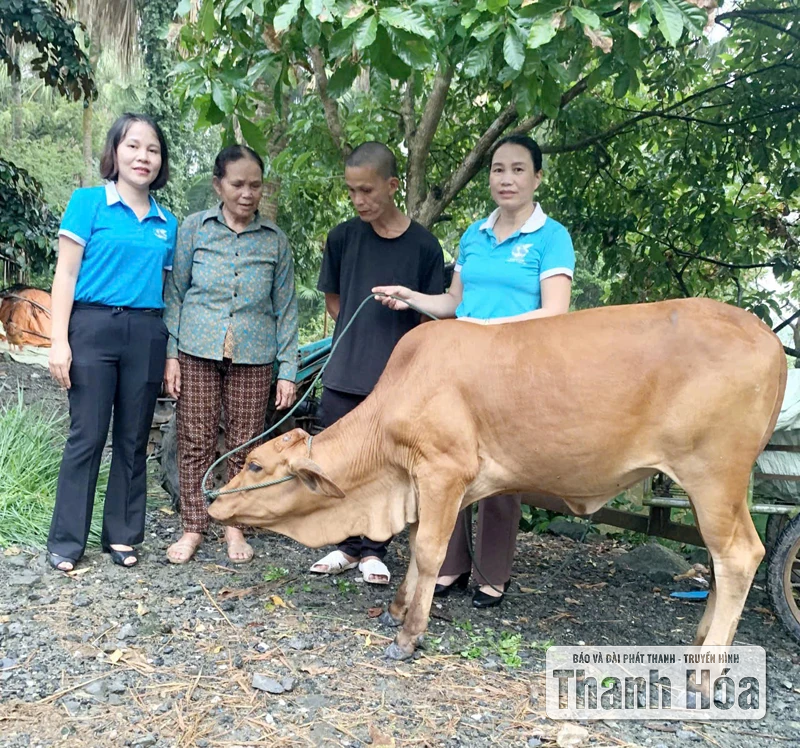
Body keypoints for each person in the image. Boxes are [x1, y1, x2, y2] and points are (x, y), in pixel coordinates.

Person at [374, 135, 575, 607]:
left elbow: (555, 313)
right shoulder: (473, 235)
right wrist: (409, 296)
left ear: (537, 177)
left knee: (501, 471)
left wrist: (485, 328)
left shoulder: (551, 236)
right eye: (498, 170)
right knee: (450, 462)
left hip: (518, 369)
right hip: (464, 368)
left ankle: (493, 573)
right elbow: (454, 304)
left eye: (518, 169)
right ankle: (451, 566)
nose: (506, 179)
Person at [309, 142, 445, 585]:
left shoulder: (425, 246)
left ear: (392, 185)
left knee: (387, 466)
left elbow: (432, 314)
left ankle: (374, 549)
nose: (358, 200)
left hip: (397, 379)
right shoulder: (342, 237)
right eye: (351, 192)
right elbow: (334, 303)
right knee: (340, 461)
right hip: (345, 370)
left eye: (366, 190)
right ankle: (344, 545)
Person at [47, 113, 178, 572]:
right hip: (93, 327)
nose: (143, 157)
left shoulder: (168, 222)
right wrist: (58, 341)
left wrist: (169, 353)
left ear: (161, 162)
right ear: (115, 152)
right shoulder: (87, 203)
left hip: (146, 333)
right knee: (87, 434)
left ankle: (122, 536)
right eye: (134, 146)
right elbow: (65, 274)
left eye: (153, 150)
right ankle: (66, 542)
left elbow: (165, 289)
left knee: (133, 438)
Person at [163, 145, 298, 565]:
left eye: (255, 185)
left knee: (245, 444)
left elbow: (287, 308)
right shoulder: (194, 229)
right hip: (197, 349)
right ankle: (193, 527)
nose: (246, 193)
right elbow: (177, 295)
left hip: (255, 355)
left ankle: (234, 526)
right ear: (218, 185)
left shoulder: (275, 241)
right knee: (195, 439)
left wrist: (288, 370)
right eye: (237, 184)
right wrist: (172, 354)